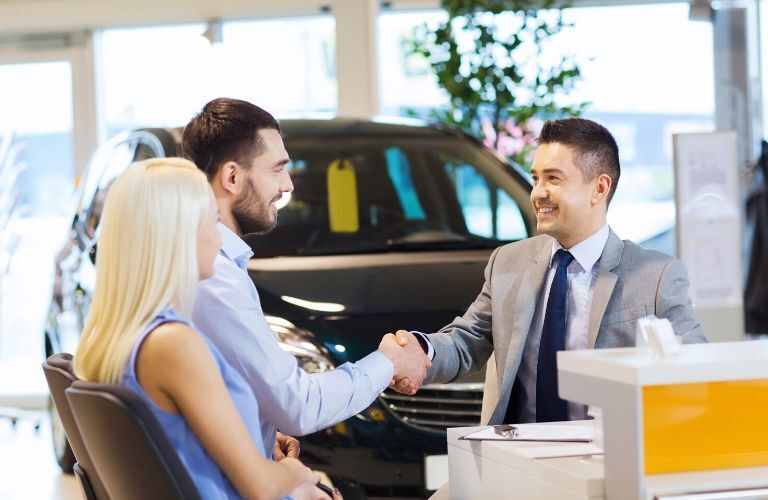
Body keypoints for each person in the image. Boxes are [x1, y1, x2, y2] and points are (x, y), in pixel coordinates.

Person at [393, 117, 707, 425]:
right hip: (520, 456)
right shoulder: (508, 262)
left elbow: (694, 364)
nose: (538, 193)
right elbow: (467, 340)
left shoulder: (656, 275)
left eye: (553, 179)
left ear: (599, 188)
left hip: (607, 458)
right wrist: (421, 350)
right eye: (535, 179)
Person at [181, 98, 431, 459]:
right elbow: (297, 405)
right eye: (277, 170)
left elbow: (219, 389)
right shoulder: (214, 276)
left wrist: (258, 432)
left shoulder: (219, 264)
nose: (288, 186)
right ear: (232, 177)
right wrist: (388, 361)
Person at [73, 158, 333, 499]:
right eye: (211, 222)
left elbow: (179, 443)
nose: (219, 237)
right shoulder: (172, 343)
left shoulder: (126, 338)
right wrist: (298, 474)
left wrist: (256, 443)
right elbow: (261, 486)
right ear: (176, 236)